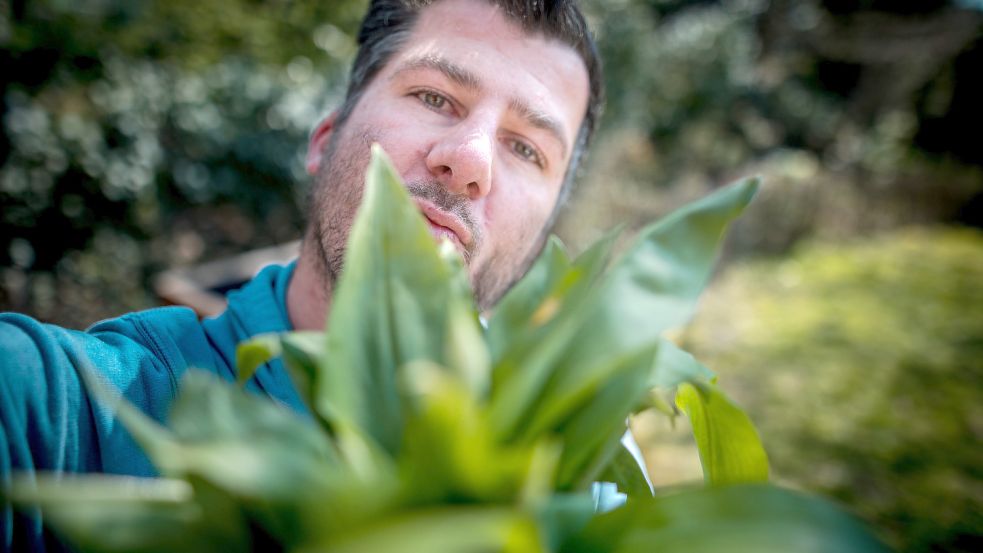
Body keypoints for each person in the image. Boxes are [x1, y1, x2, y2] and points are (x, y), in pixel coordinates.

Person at [0, 0, 618, 550]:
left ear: (539, 242)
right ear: (326, 140)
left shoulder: (581, 491)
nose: (470, 160)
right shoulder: (58, 410)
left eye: (527, 148)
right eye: (435, 97)